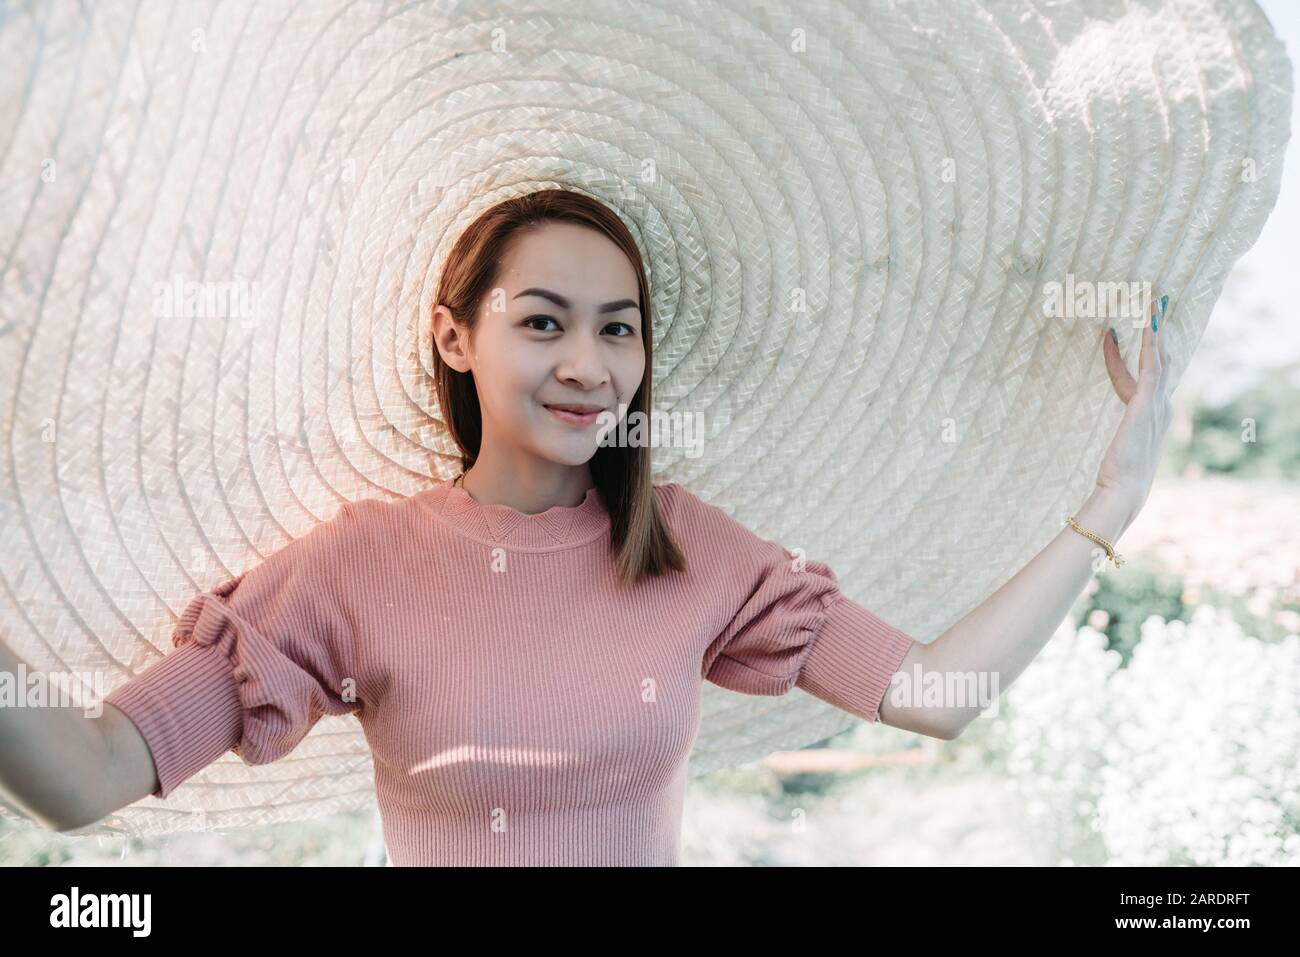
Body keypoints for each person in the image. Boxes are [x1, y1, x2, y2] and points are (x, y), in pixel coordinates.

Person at [0, 189, 1174, 865]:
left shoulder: (690, 550)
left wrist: (1107, 505)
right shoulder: (355, 567)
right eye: (545, 322)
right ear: (455, 337)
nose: (588, 364)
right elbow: (85, 774)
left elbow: (936, 698)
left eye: (618, 329)